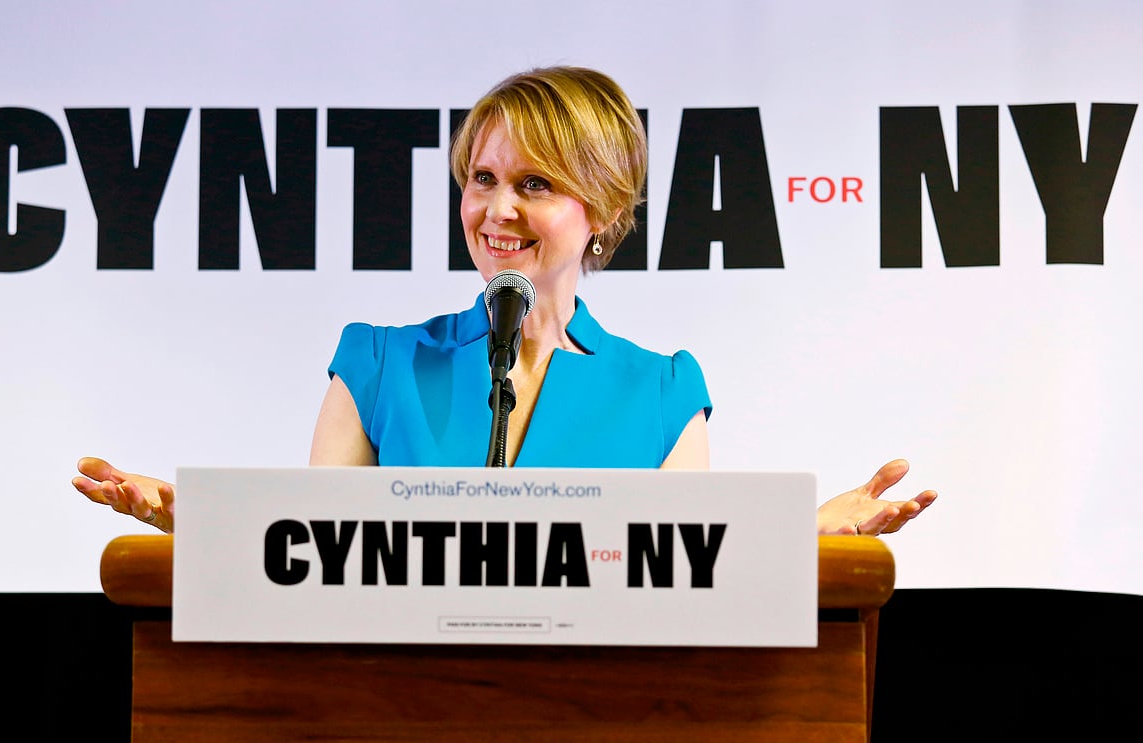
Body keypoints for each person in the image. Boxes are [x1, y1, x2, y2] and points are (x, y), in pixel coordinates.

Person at [72, 66, 936, 538]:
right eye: (480, 179)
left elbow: (688, 578)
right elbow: (314, 556)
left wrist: (804, 539)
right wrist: (203, 529)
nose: (496, 210)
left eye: (534, 183)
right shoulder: (376, 362)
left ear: (599, 209)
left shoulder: (665, 390)